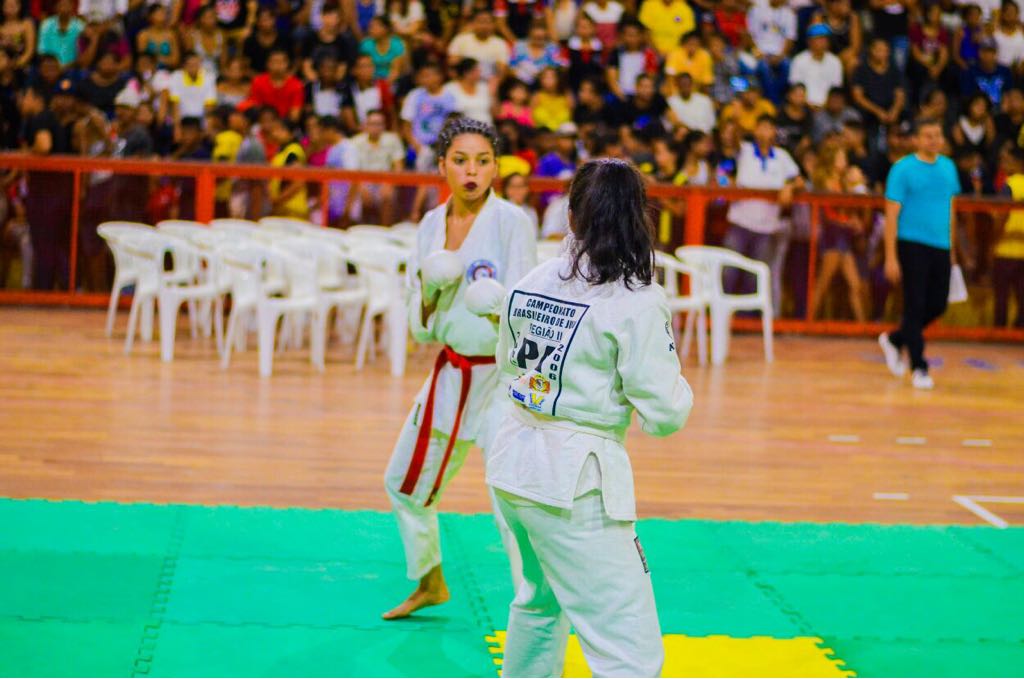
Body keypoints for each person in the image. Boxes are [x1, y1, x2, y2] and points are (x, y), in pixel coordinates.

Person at [487, 158, 693, 677]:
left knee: (538, 603)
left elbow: (507, 364)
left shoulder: (531, 281)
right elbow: (665, 413)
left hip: (513, 466)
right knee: (628, 649)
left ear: (573, 215)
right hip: (574, 484)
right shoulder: (635, 298)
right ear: (636, 219)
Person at [382, 116, 537, 620]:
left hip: (501, 378)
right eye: (461, 161)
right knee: (403, 483)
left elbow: (528, 305)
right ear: (443, 166)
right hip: (450, 374)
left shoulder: (513, 221)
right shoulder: (430, 225)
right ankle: (431, 581)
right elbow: (421, 326)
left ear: (495, 168)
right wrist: (430, 291)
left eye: (483, 161)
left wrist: (497, 306)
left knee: (509, 500)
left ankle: (533, 606)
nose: (472, 171)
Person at [878, 119, 961, 390]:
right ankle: (919, 366)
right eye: (927, 136)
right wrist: (890, 256)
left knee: (938, 304)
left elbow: (951, 208)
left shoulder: (948, 167)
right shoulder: (902, 169)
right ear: (916, 139)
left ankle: (896, 339)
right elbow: (891, 214)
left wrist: (952, 249)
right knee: (914, 305)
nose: (933, 140)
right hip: (911, 243)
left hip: (941, 245)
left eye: (937, 135)